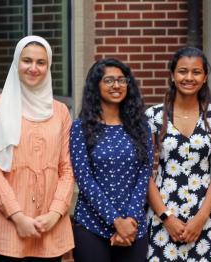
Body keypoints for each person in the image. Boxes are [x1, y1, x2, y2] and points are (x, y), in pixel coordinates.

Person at [0, 35, 75, 261]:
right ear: (16, 63)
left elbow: (67, 169)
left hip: (50, 229)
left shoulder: (60, 112)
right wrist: (18, 216)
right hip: (9, 228)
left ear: (48, 66)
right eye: (27, 61)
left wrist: (54, 214)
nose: (33, 68)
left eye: (41, 62)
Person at [145, 47, 211, 261]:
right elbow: (144, 171)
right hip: (163, 213)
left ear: (205, 77)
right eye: (183, 71)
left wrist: (201, 219)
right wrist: (166, 217)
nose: (189, 77)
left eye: (196, 72)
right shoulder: (154, 116)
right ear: (172, 75)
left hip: (205, 214)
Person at [70, 58, 152, 261]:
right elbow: (84, 179)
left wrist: (130, 221)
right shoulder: (81, 128)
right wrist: (115, 221)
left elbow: (144, 175)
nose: (116, 85)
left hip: (134, 227)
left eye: (122, 80)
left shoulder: (141, 127)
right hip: (91, 227)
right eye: (108, 80)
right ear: (95, 85)